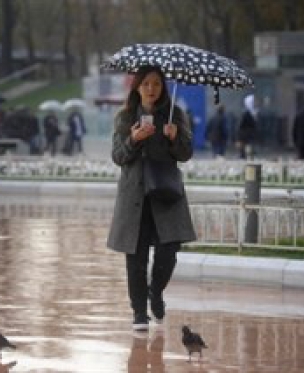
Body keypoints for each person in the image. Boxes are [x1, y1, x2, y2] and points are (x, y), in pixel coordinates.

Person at [107, 65, 196, 331]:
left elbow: (186, 153)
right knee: (136, 258)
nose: (151, 89)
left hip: (165, 195)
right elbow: (118, 157)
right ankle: (138, 313)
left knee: (168, 254)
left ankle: (155, 293)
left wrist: (174, 137)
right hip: (135, 196)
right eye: (146, 84)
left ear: (162, 87)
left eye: (156, 84)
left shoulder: (174, 115)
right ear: (137, 86)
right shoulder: (125, 118)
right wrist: (133, 140)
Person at [236, 94, 258, 159]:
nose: (256, 103)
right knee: (246, 151)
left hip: (250, 135)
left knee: (250, 152)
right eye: (254, 101)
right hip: (246, 136)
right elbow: (240, 126)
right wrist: (238, 138)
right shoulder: (245, 113)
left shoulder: (254, 112)